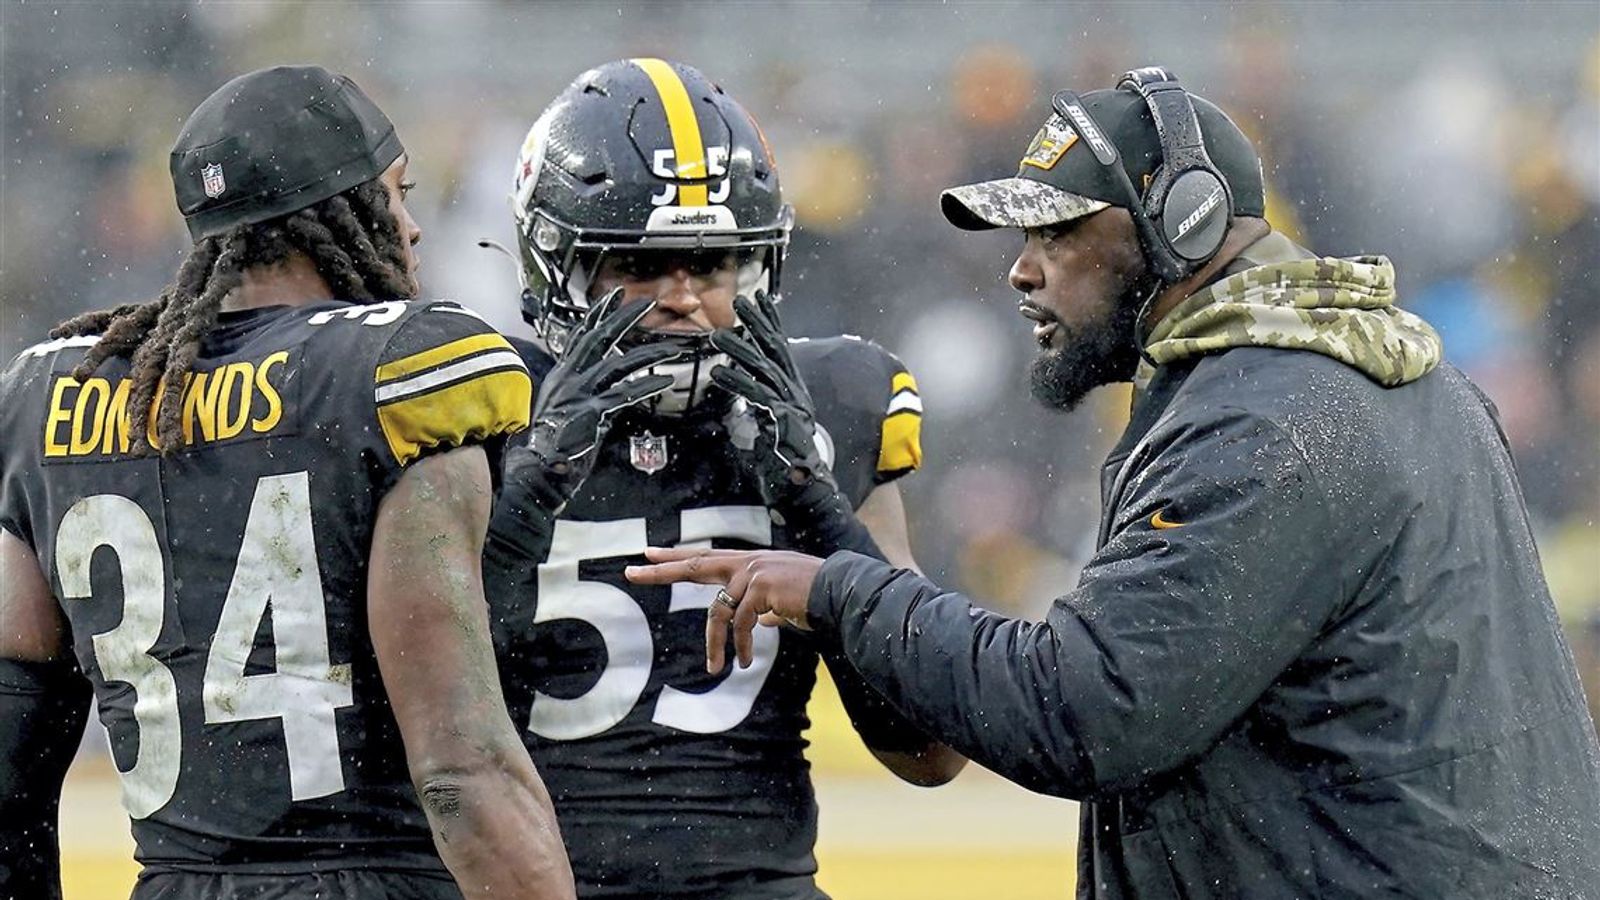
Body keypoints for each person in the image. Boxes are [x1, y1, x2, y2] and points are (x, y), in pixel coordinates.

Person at [627, 67, 1600, 898]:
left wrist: (838, 590)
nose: (1021, 272)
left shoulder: (1268, 422)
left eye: (1054, 235)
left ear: (1181, 224)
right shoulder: (1360, 380)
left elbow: (1083, 712)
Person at [0, 66, 574, 900]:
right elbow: (463, 767)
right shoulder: (396, 369)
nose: (412, 229)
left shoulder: (51, 396)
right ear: (337, 214)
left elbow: (10, 766)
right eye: (396, 195)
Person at [482, 58, 964, 900]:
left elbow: (928, 750)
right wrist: (525, 493)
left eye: (710, 265)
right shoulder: (478, 410)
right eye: (642, 266)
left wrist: (817, 505)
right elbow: (389, 723)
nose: (684, 300)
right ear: (556, 266)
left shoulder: (831, 407)